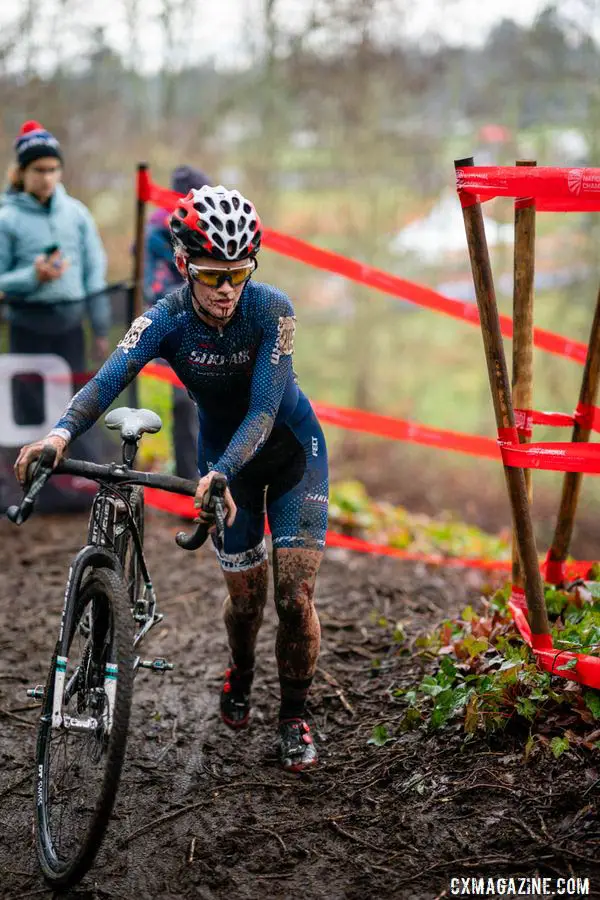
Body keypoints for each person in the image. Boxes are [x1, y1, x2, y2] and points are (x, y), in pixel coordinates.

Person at [15, 185, 329, 773]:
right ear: (185, 265)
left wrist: (223, 472)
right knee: (246, 604)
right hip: (221, 461)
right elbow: (109, 377)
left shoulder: (272, 310)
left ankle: (293, 716)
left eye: (239, 273)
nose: (227, 289)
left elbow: (263, 411)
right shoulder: (165, 318)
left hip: (291, 454)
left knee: (294, 597)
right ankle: (240, 669)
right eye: (213, 275)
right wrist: (60, 434)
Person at [0, 120, 110, 409]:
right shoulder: (6, 218)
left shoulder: (77, 214)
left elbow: (94, 273)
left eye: (52, 169)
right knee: (28, 411)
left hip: (71, 330)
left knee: (76, 406)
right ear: (21, 172)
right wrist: (32, 276)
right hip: (26, 330)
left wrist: (100, 328)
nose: (47, 177)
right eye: (38, 170)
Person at [144, 165, 211, 480]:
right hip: (174, 331)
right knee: (185, 405)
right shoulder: (160, 235)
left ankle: (213, 475)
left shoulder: (208, 229)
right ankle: (189, 480)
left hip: (209, 330)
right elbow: (155, 289)